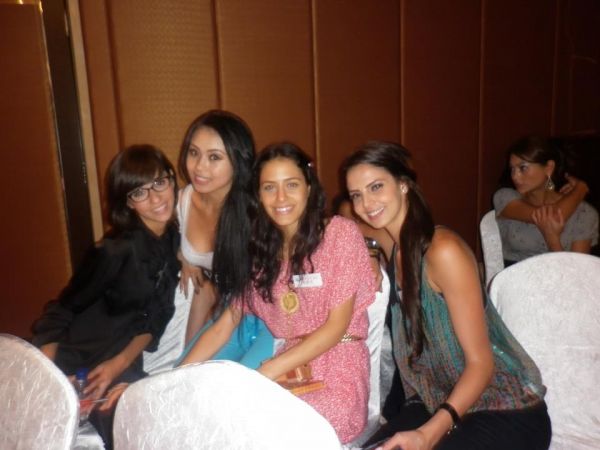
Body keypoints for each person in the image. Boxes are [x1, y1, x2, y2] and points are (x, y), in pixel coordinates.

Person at [342, 141, 551, 450]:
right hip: (435, 398)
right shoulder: (392, 243)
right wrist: (369, 252)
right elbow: (340, 225)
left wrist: (428, 434)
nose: (365, 204)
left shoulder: (443, 250)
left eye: (376, 187)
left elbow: (482, 363)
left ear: (403, 184)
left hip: (503, 407)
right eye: (356, 195)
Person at [181, 142, 376, 443]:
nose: (280, 197)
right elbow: (224, 325)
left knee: (270, 430)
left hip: (337, 370)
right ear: (258, 195)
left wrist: (267, 371)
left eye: (291, 185)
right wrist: (177, 377)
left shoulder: (339, 234)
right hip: (286, 372)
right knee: (217, 422)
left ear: (308, 188)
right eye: (269, 187)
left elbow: (336, 327)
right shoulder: (261, 254)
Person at [32, 145, 181, 448]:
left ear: (171, 179)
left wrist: (119, 363)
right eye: (139, 192)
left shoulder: (170, 237)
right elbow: (60, 311)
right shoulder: (114, 251)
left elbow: (156, 317)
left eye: (159, 182)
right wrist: (49, 383)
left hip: (120, 361)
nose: (155, 198)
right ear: (128, 202)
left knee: (156, 426)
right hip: (79, 362)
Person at [175, 110, 273, 368]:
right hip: (229, 312)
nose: (199, 167)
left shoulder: (258, 210)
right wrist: (183, 256)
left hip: (271, 319)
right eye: (193, 152)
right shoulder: (184, 201)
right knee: (184, 377)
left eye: (214, 157)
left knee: (232, 385)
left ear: (238, 161)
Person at [493, 135, 598, 266]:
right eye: (512, 169)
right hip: (513, 274)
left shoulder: (584, 213)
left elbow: (576, 272)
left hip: (559, 276)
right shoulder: (505, 197)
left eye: (523, 168)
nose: (515, 176)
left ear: (549, 168)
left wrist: (552, 241)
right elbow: (552, 217)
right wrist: (580, 189)